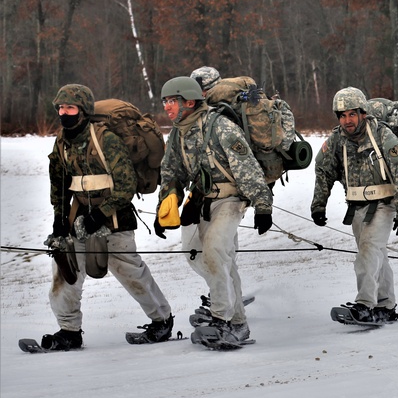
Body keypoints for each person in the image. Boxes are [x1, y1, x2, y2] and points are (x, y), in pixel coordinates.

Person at [40, 84, 174, 350]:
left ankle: (162, 321)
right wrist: (59, 216)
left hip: (114, 216)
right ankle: (69, 330)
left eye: (70, 107)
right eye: (61, 108)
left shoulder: (105, 138)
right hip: (78, 218)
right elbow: (58, 180)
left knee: (129, 271)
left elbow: (126, 185)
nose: (64, 113)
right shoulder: (62, 141)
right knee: (65, 272)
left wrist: (101, 215)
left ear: (83, 110)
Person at [155, 76, 273, 349]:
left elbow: (247, 166)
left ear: (190, 101)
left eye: (172, 101)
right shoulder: (177, 132)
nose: (167, 107)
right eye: (165, 102)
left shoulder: (219, 125)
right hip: (200, 201)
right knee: (198, 256)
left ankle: (222, 319)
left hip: (230, 198)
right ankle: (239, 323)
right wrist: (165, 206)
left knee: (215, 252)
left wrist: (263, 206)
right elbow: (171, 172)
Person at [311, 87, 398, 323]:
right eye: (342, 115)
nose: (347, 121)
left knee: (368, 249)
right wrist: (318, 205)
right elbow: (323, 170)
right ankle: (386, 305)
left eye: (352, 115)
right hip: (357, 207)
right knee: (376, 253)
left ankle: (365, 304)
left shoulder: (382, 135)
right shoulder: (337, 140)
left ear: (362, 114)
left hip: (384, 204)